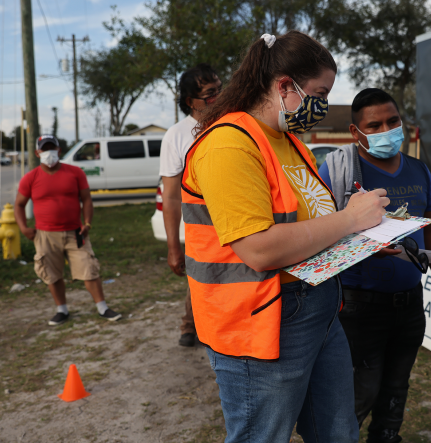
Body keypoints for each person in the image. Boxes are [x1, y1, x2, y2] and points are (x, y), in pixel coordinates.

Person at [181, 31, 389, 443]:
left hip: (316, 304)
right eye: (319, 92)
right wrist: (350, 221)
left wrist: (368, 236)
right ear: (283, 86)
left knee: (338, 433)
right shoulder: (228, 145)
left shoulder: (288, 140)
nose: (323, 104)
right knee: (263, 435)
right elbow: (259, 249)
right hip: (260, 318)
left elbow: (309, 226)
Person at [318, 88, 431, 443]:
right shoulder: (337, 171)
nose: (386, 130)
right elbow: (317, 234)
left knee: (396, 391)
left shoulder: (419, 170)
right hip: (358, 308)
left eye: (392, 121)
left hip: (409, 304)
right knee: (357, 395)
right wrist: (361, 246)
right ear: (355, 132)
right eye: (374, 125)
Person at [14, 135, 121, 326]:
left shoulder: (75, 173)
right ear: (38, 152)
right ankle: (61, 310)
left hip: (76, 233)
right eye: (44, 149)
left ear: (59, 150)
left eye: (52, 148)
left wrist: (87, 223)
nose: (49, 153)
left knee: (89, 269)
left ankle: (103, 307)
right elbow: (19, 205)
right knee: (52, 274)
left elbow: (87, 199)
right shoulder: (30, 178)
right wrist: (23, 228)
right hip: (45, 234)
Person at [160, 63, 221, 347]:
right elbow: (170, 196)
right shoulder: (177, 135)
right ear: (190, 102)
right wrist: (174, 247)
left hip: (241, 223)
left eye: (221, 89)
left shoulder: (235, 123)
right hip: (202, 230)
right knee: (201, 281)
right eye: (210, 94)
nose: (219, 98)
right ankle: (190, 326)